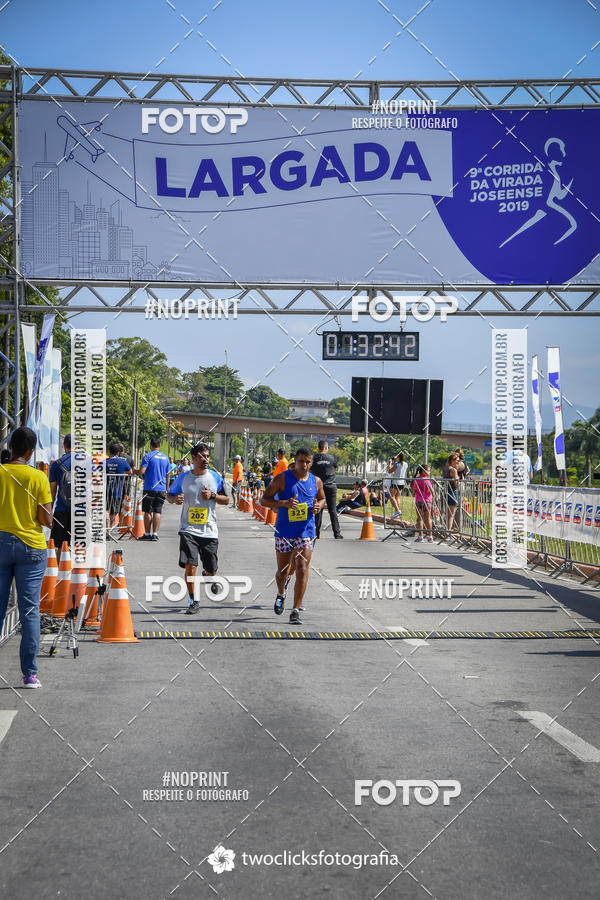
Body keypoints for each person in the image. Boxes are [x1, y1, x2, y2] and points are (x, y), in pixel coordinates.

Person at [0, 427, 52, 688]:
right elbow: (46, 519)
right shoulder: (38, 477)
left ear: (10, 447)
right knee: (29, 610)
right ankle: (29, 674)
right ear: (31, 452)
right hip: (31, 546)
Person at [261, 447, 325, 625]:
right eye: (301, 461)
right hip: (284, 532)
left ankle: (295, 610)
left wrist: (319, 506)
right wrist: (284, 503)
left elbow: (322, 498)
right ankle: (281, 592)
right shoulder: (282, 478)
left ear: (311, 463)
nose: (304, 465)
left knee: (302, 567)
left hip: (306, 531)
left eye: (307, 462)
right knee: (283, 572)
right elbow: (264, 500)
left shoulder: (316, 481)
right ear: (295, 461)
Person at [167, 442, 229, 614]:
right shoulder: (183, 478)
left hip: (209, 530)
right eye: (202, 457)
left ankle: (209, 575)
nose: (205, 459)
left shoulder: (215, 477)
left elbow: (227, 500)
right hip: (188, 529)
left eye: (207, 456)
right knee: (190, 565)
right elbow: (169, 495)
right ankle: (193, 600)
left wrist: (213, 496)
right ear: (193, 458)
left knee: (211, 568)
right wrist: (174, 499)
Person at [138, 438, 171, 541]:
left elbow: (142, 471)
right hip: (161, 488)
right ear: (159, 445)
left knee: (147, 511)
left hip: (149, 487)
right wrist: (167, 488)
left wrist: (135, 471)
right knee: (157, 511)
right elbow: (168, 474)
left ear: (150, 445)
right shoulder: (165, 458)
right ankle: (155, 534)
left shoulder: (148, 456)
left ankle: (147, 534)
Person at [311, 440, 342, 539]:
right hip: (331, 486)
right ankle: (337, 533)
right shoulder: (331, 458)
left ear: (318, 448)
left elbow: (310, 471)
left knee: (318, 509)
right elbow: (335, 469)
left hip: (318, 486)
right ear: (326, 448)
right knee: (332, 510)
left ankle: (316, 533)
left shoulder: (314, 458)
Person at [49, 433, 72, 552]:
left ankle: (59, 564)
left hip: (62, 509)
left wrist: (50, 511)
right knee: (81, 545)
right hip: (82, 510)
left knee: (60, 546)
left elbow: (52, 491)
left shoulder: (56, 464)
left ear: (64, 445)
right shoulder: (89, 462)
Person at [105, 441, 131, 536]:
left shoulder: (105, 462)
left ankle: (107, 530)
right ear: (118, 452)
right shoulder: (122, 461)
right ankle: (108, 531)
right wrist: (122, 473)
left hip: (106, 490)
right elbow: (130, 471)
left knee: (106, 510)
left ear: (109, 451)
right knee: (113, 512)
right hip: (117, 491)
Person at [411, 464, 434, 542]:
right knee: (428, 519)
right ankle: (430, 536)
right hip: (427, 501)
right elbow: (431, 490)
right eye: (428, 471)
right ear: (423, 471)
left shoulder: (416, 479)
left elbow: (413, 489)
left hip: (418, 501)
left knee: (420, 519)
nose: (429, 472)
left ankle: (420, 536)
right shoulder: (426, 480)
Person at [442, 452, 460, 531]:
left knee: (447, 514)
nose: (458, 462)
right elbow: (456, 484)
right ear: (452, 460)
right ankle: (448, 531)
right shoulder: (453, 470)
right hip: (453, 492)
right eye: (457, 461)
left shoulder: (445, 468)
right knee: (451, 515)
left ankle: (445, 529)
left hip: (446, 492)